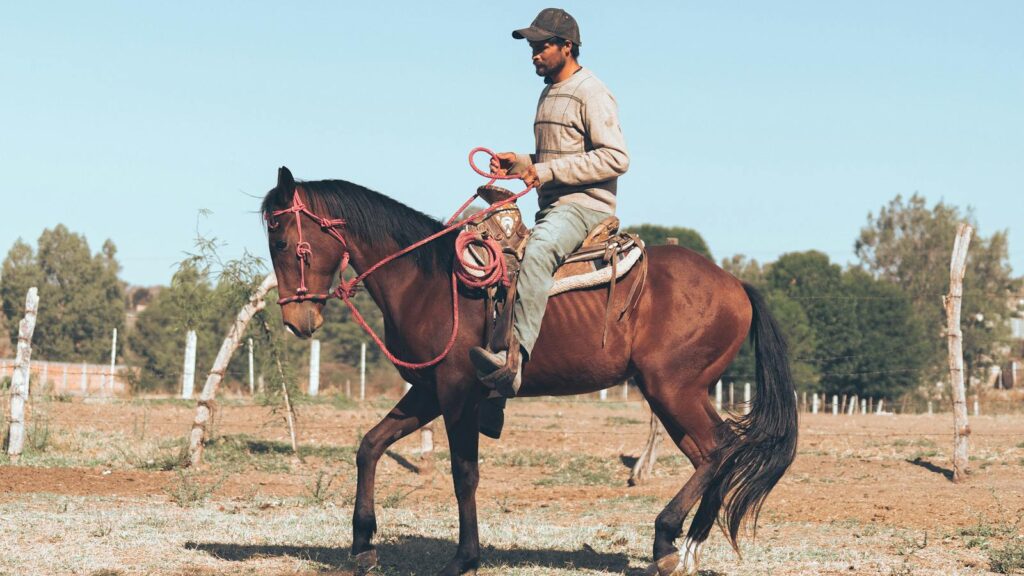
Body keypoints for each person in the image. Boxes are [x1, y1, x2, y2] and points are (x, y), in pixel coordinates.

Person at [470, 7, 630, 397]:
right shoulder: (549, 93)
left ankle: (512, 361)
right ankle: (487, 393)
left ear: (567, 46)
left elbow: (616, 158)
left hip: (584, 207)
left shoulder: (592, 91)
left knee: (538, 250)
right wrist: (523, 163)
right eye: (531, 47)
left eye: (542, 46)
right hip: (553, 205)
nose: (534, 54)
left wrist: (546, 172)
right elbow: (560, 157)